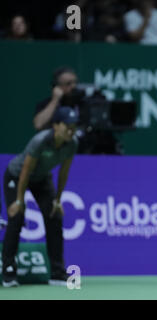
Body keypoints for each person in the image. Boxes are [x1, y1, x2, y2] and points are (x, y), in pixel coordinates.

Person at [2, 107, 79, 287]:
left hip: (42, 179)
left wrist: (58, 200)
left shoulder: (72, 143)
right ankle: (9, 272)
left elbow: (63, 173)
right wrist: (20, 201)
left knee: (54, 215)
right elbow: (25, 171)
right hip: (16, 176)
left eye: (73, 126)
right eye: (67, 126)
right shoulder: (40, 141)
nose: (71, 130)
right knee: (17, 218)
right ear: (55, 125)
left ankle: (58, 273)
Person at [34, 67, 78, 131]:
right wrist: (55, 100)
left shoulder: (83, 102)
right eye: (68, 84)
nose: (74, 86)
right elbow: (38, 124)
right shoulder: (46, 104)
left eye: (75, 82)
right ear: (56, 87)